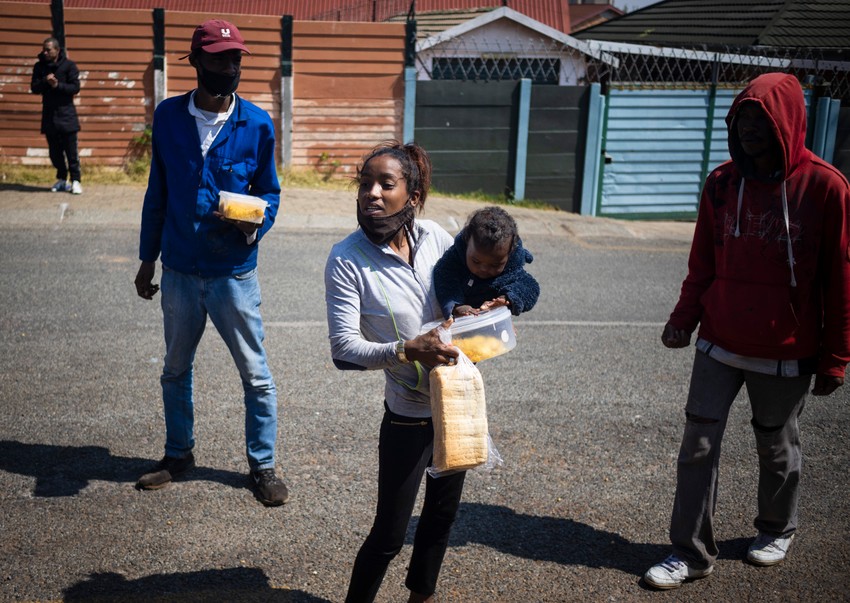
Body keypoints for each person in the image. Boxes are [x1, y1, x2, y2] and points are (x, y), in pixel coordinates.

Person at [644, 72, 850, 589]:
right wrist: (682, 319)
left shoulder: (827, 187)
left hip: (787, 350)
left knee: (775, 446)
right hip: (719, 341)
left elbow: (841, 279)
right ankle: (687, 553)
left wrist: (835, 357)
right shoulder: (720, 184)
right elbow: (701, 265)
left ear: (787, 122)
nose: (751, 129)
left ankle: (777, 528)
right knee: (698, 446)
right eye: (742, 119)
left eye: (762, 119)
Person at [133, 19, 288, 507]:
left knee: (256, 375)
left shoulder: (258, 124)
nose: (229, 67)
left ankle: (262, 465)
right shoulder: (170, 117)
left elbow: (269, 193)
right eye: (219, 58)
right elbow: (157, 191)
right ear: (196, 61)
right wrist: (147, 259)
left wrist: (254, 224)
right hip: (179, 270)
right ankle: (179, 455)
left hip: (233, 275)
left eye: (236, 58)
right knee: (175, 370)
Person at [324, 140, 463, 602]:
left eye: (387, 183)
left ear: (414, 196)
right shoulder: (347, 259)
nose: (372, 194)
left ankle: (420, 597)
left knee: (441, 518)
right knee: (389, 534)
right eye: (365, 184)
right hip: (406, 414)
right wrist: (407, 350)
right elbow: (344, 349)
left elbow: (471, 287)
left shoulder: (438, 239)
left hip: (456, 405)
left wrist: (484, 306)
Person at [433, 205, 540, 318]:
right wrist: (456, 305)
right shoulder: (456, 257)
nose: (483, 269)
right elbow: (444, 277)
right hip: (459, 325)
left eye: (495, 264)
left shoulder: (511, 269)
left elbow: (530, 287)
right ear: (467, 241)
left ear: (509, 254)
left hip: (493, 326)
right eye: (476, 261)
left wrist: (507, 299)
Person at [31, 37, 82, 195]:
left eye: (48, 49)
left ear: (57, 50)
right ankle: (62, 179)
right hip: (49, 115)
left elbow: (75, 88)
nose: (45, 52)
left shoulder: (69, 66)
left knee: (71, 152)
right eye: (44, 49)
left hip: (67, 114)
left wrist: (57, 85)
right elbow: (34, 88)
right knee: (54, 152)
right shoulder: (40, 67)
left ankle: (76, 181)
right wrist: (46, 82)